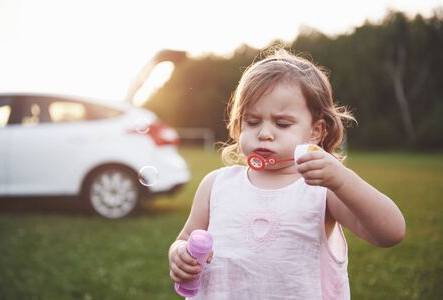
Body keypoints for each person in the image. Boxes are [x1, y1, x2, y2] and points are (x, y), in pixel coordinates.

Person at [168, 48, 406, 299]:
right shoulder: (216, 185)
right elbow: (184, 238)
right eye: (252, 121)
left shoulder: (322, 191)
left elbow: (390, 233)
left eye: (282, 124)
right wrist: (179, 253)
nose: (264, 133)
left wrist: (342, 179)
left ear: (316, 131)